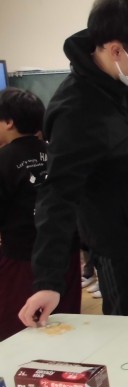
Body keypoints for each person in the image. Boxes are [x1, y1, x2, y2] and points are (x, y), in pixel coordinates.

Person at [18, 0, 128, 327]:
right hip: (116, 243)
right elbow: (57, 197)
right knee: (127, 325)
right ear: (116, 50)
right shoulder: (75, 110)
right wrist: (48, 281)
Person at [0, 88, 80, 340]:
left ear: (9, 122)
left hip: (23, 257)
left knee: (21, 327)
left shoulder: (3, 159)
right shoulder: (57, 153)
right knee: (65, 320)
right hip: (64, 253)